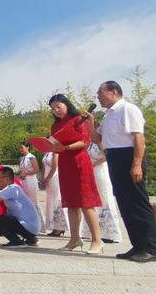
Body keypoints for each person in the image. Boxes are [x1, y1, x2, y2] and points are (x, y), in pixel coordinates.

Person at [84, 81, 156, 263]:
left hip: (128, 157)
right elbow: (97, 138)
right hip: (114, 157)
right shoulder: (109, 114)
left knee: (138, 204)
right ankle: (138, 246)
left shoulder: (128, 109)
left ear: (113, 92)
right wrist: (90, 123)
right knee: (126, 204)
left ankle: (152, 249)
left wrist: (136, 164)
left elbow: (139, 138)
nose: (98, 98)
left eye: (100, 93)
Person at [48, 94, 103, 254]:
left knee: (86, 202)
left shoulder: (80, 119)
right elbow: (55, 143)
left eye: (58, 106)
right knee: (71, 203)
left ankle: (97, 240)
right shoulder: (55, 126)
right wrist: (50, 145)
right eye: (52, 109)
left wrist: (66, 148)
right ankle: (74, 239)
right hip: (65, 165)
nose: (56, 110)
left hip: (79, 162)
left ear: (66, 104)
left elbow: (85, 141)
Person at [82, 141, 122, 244]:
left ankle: (110, 233)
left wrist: (94, 163)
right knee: (95, 200)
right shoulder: (90, 144)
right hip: (92, 172)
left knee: (104, 199)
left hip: (101, 171)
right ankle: (96, 232)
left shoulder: (101, 142)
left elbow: (107, 155)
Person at [17, 142, 46, 234]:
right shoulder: (22, 159)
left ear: (27, 147)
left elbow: (36, 169)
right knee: (25, 202)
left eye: (22, 147)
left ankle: (40, 225)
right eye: (20, 148)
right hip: (24, 181)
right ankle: (29, 223)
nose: (20, 149)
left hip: (31, 181)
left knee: (33, 202)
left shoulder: (31, 157)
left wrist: (26, 173)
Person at [42, 151, 67, 236]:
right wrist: (43, 177)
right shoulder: (46, 153)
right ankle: (54, 226)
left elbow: (55, 166)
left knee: (56, 200)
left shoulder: (55, 152)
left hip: (54, 177)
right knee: (50, 202)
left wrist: (48, 178)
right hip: (47, 178)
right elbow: (44, 167)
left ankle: (60, 227)